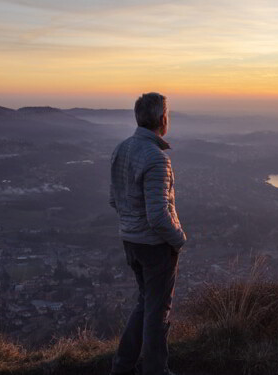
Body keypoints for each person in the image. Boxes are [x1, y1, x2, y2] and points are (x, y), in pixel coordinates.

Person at [108, 92, 187, 375]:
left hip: (130, 240)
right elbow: (158, 215)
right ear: (162, 119)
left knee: (145, 304)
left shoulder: (121, 149)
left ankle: (122, 366)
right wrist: (179, 240)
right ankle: (155, 370)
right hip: (155, 246)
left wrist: (131, 224)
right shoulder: (156, 159)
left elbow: (114, 199)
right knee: (157, 312)